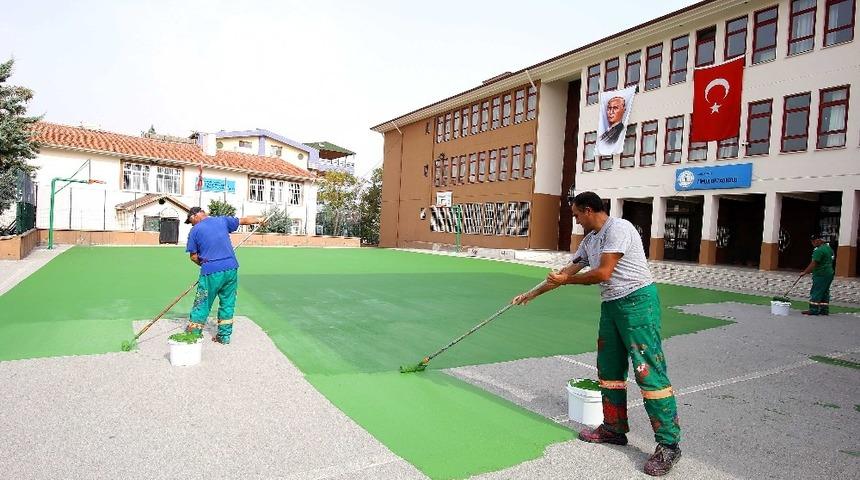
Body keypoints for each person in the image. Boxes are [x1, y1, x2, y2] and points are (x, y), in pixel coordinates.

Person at [512, 192, 681, 477]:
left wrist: (567, 280)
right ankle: (614, 428)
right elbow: (564, 274)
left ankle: (669, 444)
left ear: (589, 210)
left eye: (577, 215)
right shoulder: (589, 241)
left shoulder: (619, 229)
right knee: (609, 369)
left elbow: (603, 273)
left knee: (647, 371)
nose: (576, 221)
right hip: (612, 305)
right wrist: (531, 294)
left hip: (638, 302)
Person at [184, 206, 265, 344]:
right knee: (228, 302)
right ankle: (224, 337)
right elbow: (244, 220)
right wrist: (259, 220)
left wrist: (204, 265)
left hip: (211, 271)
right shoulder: (222, 220)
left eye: (191, 222)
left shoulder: (195, 230)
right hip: (231, 268)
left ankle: (193, 334)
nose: (192, 224)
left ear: (194, 216)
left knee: (203, 302)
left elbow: (193, 256)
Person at [799, 233, 835, 316]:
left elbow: (814, 263)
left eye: (813, 241)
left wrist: (805, 272)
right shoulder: (828, 248)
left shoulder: (819, 250)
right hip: (829, 273)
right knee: (825, 291)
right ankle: (824, 310)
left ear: (819, 240)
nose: (812, 243)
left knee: (816, 291)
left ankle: (813, 309)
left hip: (821, 274)